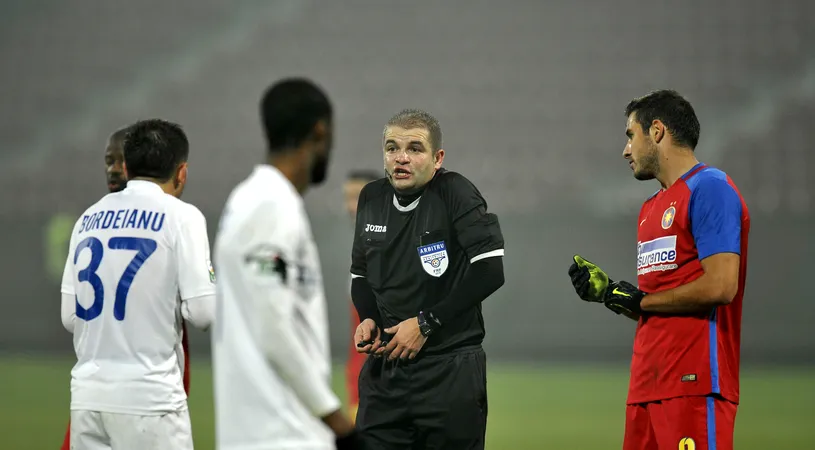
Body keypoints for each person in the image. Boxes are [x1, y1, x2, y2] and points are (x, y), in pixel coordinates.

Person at [568, 89, 750, 450]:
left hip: (694, 385)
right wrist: (609, 294)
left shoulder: (710, 188)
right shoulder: (650, 208)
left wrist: (642, 302)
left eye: (629, 136)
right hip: (646, 387)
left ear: (656, 131)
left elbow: (721, 286)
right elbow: (658, 303)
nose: (625, 150)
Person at [211, 78, 358, 450]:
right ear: (320, 132)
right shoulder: (269, 206)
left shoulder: (253, 201)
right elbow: (272, 324)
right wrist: (338, 421)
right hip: (281, 432)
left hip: (268, 430)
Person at [351, 108, 505, 449]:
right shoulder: (372, 198)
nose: (401, 158)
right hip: (385, 373)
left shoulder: (456, 193)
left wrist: (425, 323)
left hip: (448, 372)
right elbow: (360, 275)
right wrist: (369, 319)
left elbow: (490, 270)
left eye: (415, 148)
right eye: (392, 148)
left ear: (437, 159)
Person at [60, 119, 215, 450]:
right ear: (182, 172)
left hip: (88, 398)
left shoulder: (86, 219)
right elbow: (203, 314)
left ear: (127, 166)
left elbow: (70, 318)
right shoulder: (182, 216)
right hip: (150, 399)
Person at [342, 169, 381, 422]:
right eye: (347, 197)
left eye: (358, 197)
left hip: (379, 394)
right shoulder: (362, 249)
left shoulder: (387, 254)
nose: (350, 206)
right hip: (359, 387)